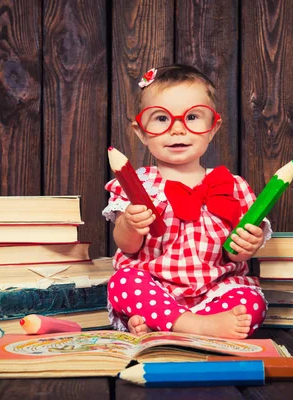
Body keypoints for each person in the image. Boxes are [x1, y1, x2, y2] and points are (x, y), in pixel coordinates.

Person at [102, 64, 272, 339]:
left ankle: (164, 328)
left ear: (213, 127)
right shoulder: (136, 184)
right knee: (123, 283)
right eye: (160, 119)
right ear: (140, 131)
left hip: (216, 291)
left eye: (192, 117)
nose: (178, 130)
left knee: (251, 303)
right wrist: (131, 224)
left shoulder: (233, 186)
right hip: (156, 290)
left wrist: (248, 244)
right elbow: (127, 246)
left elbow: (236, 254)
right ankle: (190, 327)